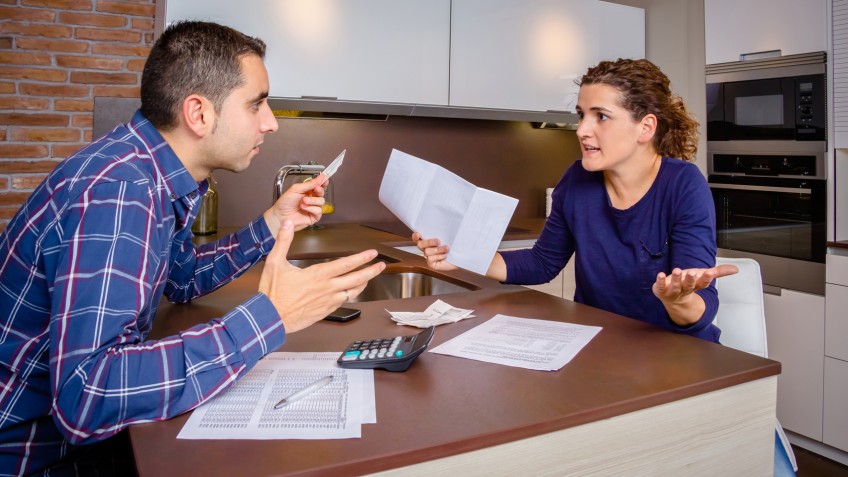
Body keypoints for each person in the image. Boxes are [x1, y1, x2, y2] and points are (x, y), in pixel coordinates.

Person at [0, 21, 385, 476]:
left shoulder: (147, 170)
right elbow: (88, 397)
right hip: (34, 458)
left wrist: (273, 222)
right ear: (199, 114)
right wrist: (270, 317)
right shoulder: (123, 191)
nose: (271, 122)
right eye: (257, 103)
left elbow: (180, 277)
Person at [413, 58, 794, 475]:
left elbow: (699, 306)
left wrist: (676, 298)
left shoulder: (684, 186)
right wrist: (461, 256)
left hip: (677, 360)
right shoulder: (577, 181)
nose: (582, 129)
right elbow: (543, 262)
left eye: (601, 116)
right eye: (581, 115)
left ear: (645, 128)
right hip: (598, 356)